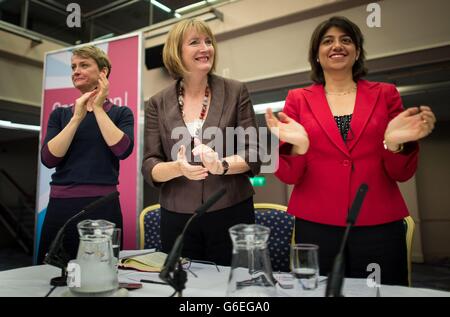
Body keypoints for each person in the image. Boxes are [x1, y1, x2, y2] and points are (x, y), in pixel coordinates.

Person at [265, 16, 436, 285]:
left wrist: (392, 143)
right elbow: (289, 176)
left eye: (346, 40)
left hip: (378, 222)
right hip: (316, 223)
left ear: (357, 52)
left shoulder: (386, 93)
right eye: (328, 41)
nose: (337, 46)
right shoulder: (298, 98)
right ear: (317, 55)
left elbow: (402, 172)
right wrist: (299, 146)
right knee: (319, 291)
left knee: (382, 292)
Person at [142, 19, 260, 266]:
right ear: (177, 51)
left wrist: (222, 165)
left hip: (232, 210)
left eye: (208, 41)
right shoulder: (157, 103)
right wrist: (178, 167)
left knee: (236, 285)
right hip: (177, 218)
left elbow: (254, 152)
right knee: (183, 287)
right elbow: (150, 163)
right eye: (194, 42)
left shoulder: (236, 91)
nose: (205, 48)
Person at [38, 45, 134, 264]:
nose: (75, 71)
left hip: (103, 207)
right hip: (60, 209)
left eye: (84, 65)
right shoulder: (60, 115)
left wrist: (98, 108)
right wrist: (77, 117)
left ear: (103, 72)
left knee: (101, 272)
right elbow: (49, 159)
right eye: (73, 66)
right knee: (52, 273)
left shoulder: (120, 113)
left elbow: (122, 149)